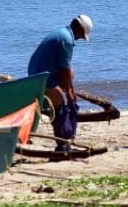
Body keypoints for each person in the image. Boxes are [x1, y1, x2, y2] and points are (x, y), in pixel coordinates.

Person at [28, 14, 93, 150]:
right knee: (60, 104)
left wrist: (70, 88)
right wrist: (69, 92)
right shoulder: (67, 40)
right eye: (83, 35)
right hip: (40, 77)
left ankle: (56, 93)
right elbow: (64, 69)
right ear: (80, 28)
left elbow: (67, 69)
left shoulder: (62, 32)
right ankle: (62, 144)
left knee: (72, 72)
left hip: (39, 71)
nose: (81, 38)